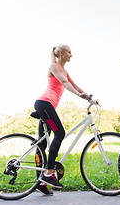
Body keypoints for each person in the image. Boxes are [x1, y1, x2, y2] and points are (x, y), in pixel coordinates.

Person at [34, 44, 89, 196]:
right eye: (69, 52)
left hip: (46, 107)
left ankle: (40, 183)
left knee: (43, 143)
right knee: (59, 133)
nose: (72, 55)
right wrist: (80, 96)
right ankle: (48, 172)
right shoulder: (54, 66)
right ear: (61, 53)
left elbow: (74, 86)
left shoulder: (65, 71)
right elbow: (64, 83)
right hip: (44, 104)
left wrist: (88, 96)